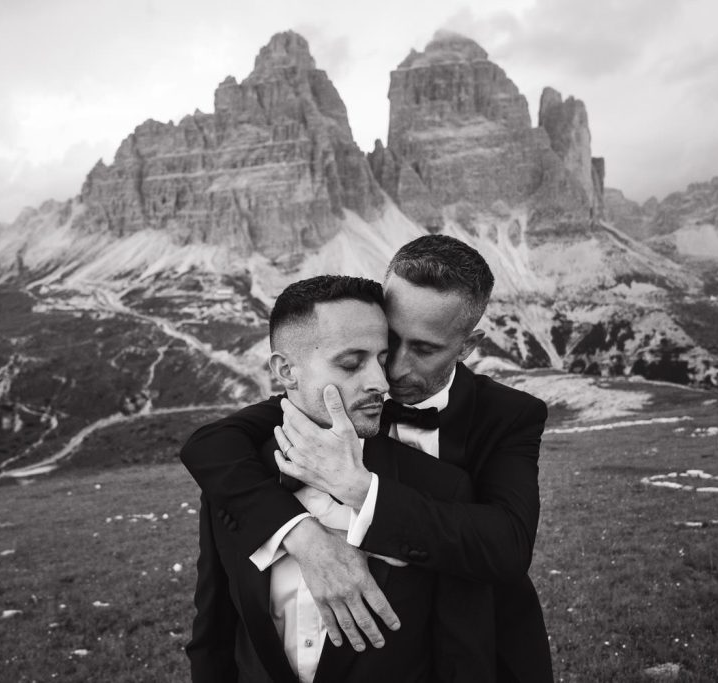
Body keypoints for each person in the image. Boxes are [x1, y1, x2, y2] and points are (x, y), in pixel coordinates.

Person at [182, 235, 553, 682]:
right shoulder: (343, 395)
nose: (390, 373)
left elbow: (506, 547)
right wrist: (305, 539)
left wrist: (359, 490)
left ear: (467, 345)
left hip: (484, 646)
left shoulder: (508, 416)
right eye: (388, 342)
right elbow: (211, 445)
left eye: (423, 349)